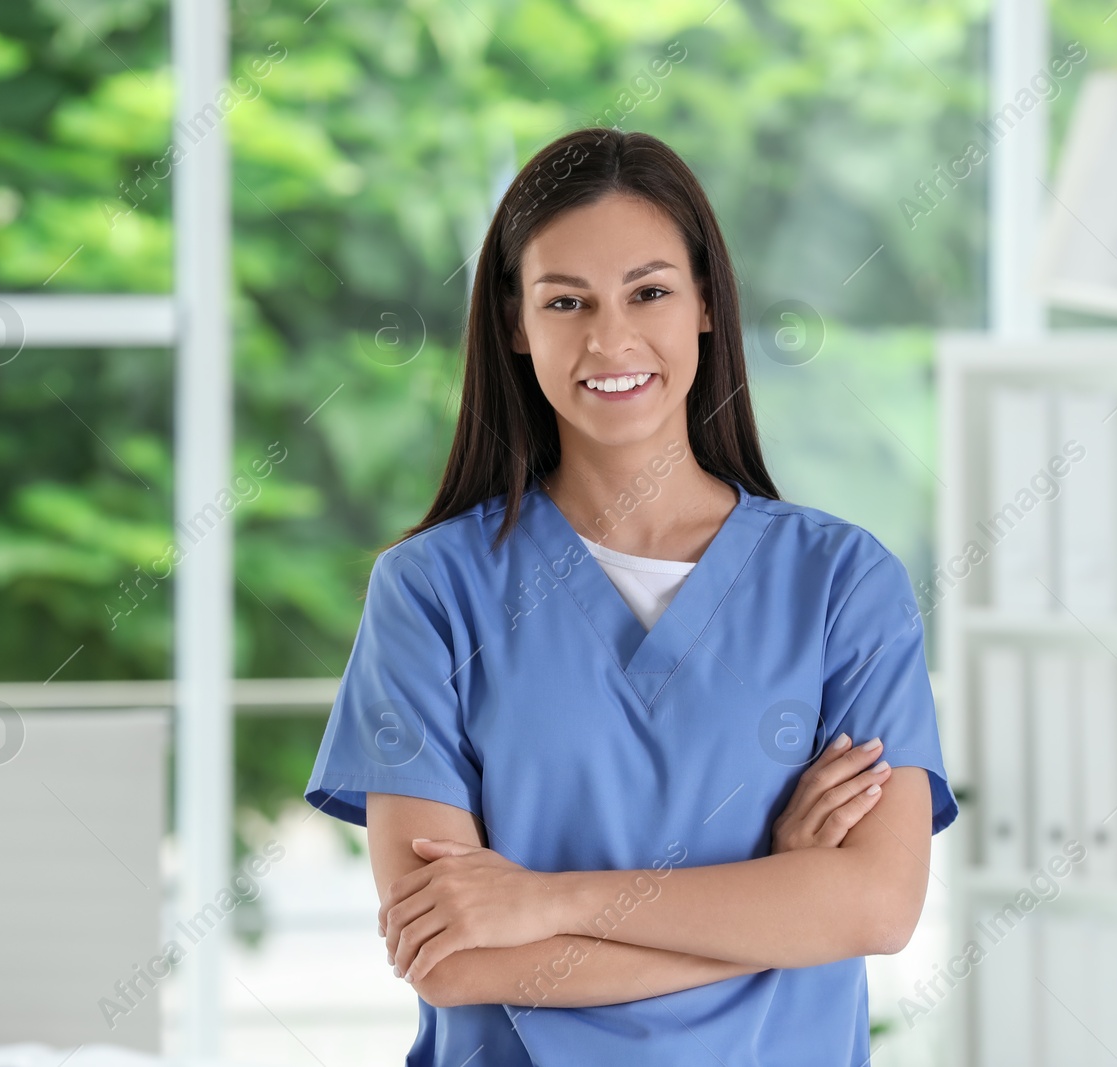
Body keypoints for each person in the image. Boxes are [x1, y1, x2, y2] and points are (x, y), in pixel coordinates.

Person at [304, 126, 958, 1066]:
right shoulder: (431, 592)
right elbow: (449, 961)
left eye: (648, 292)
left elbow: (876, 908)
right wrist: (772, 900)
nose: (611, 339)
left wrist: (548, 902)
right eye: (566, 301)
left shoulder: (843, 585)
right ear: (517, 325)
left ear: (703, 305)